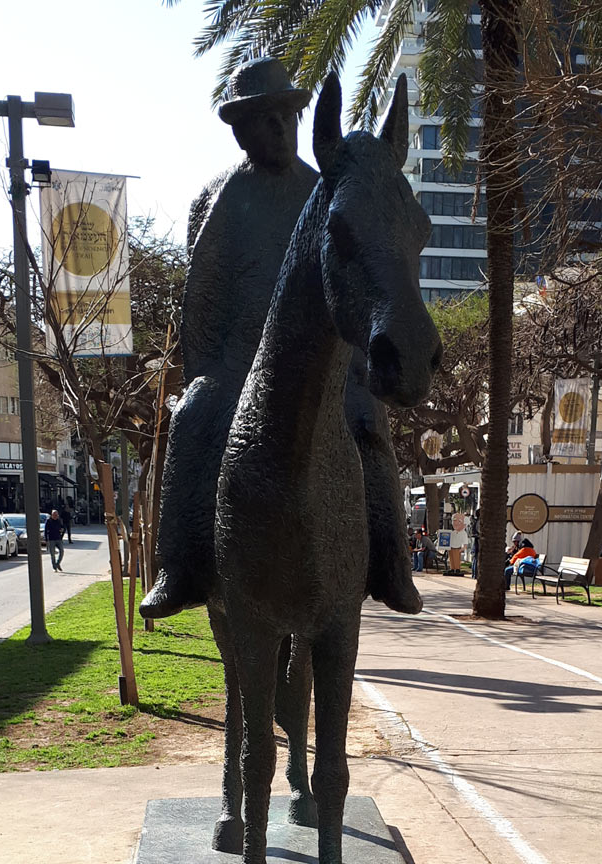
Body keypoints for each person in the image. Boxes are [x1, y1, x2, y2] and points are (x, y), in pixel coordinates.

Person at [139, 58, 418, 621]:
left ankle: (390, 561)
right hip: (239, 365)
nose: (280, 131)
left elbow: (355, 272)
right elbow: (203, 296)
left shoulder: (326, 190)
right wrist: (207, 372)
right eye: (264, 120)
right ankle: (179, 565)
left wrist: (357, 360)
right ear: (240, 130)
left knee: (370, 423)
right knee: (192, 417)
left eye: (288, 117)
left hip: (321, 361)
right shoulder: (219, 198)